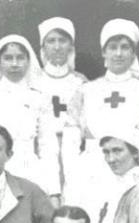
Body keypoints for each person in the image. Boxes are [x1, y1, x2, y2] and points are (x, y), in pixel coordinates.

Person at [62, 18, 139, 202]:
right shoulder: (86, 90)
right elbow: (70, 137)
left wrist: (134, 152)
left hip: (132, 173)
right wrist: (73, 171)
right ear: (104, 53)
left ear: (133, 53)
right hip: (91, 173)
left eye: (125, 47)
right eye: (112, 47)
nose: (119, 53)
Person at [0, 35, 59, 198]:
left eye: (20, 58)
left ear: (28, 61)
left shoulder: (39, 98)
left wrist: (54, 191)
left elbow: (48, 146)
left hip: (30, 171)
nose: (14, 64)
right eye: (8, 58)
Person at [33, 17, 87, 198]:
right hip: (40, 152)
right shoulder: (33, 82)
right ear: (43, 47)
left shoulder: (81, 82)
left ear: (70, 46)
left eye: (62, 41)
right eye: (51, 41)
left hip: (74, 152)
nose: (57, 47)